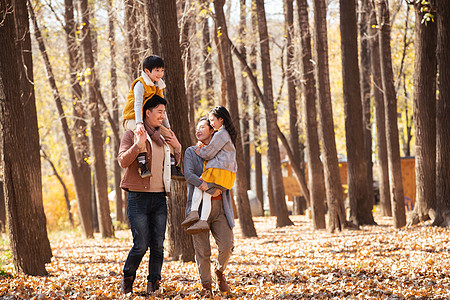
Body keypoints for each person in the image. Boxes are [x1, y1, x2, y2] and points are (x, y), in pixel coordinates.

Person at [118, 95, 182, 296]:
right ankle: (128, 277)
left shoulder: (164, 136)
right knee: (141, 244)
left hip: (159, 198)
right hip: (138, 198)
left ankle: (153, 283)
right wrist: (138, 144)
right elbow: (122, 161)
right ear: (148, 112)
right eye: (159, 112)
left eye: (164, 112)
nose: (163, 116)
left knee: (158, 245)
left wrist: (177, 147)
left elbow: (174, 165)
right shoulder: (132, 133)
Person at [184, 117, 235, 296]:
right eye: (196, 127)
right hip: (197, 211)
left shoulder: (221, 150)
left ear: (212, 130)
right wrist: (207, 186)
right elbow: (188, 174)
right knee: (202, 252)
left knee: (227, 246)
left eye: (202, 127)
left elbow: (227, 176)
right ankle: (207, 287)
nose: (198, 130)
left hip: (220, 208)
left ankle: (219, 272)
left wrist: (217, 188)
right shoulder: (191, 151)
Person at [122, 55, 182, 179]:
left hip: (145, 119)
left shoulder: (158, 85)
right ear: (147, 71)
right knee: (140, 133)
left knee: (169, 135)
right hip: (132, 118)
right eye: (157, 70)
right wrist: (139, 123)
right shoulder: (140, 84)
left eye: (162, 70)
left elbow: (161, 107)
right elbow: (137, 104)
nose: (160, 73)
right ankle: (142, 164)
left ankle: (172, 166)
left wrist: (168, 127)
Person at [181, 106, 237, 234]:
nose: (212, 123)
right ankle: (201, 220)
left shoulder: (221, 134)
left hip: (219, 171)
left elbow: (209, 153)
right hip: (226, 175)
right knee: (206, 193)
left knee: (199, 184)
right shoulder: (227, 134)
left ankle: (194, 213)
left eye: (212, 120)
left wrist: (200, 150)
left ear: (221, 120)